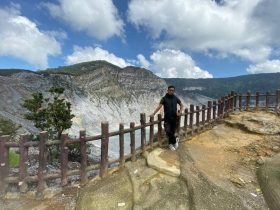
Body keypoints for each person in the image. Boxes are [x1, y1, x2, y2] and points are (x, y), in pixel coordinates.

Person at [150, 85, 184, 151]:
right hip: (167, 119)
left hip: (174, 118)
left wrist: (180, 112)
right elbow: (159, 107)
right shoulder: (164, 98)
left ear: (174, 91)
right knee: (168, 131)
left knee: (172, 132)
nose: (171, 91)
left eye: (173, 90)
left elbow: (181, 105)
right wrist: (153, 113)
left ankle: (170, 144)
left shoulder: (175, 98)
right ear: (167, 90)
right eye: (170, 90)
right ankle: (175, 140)